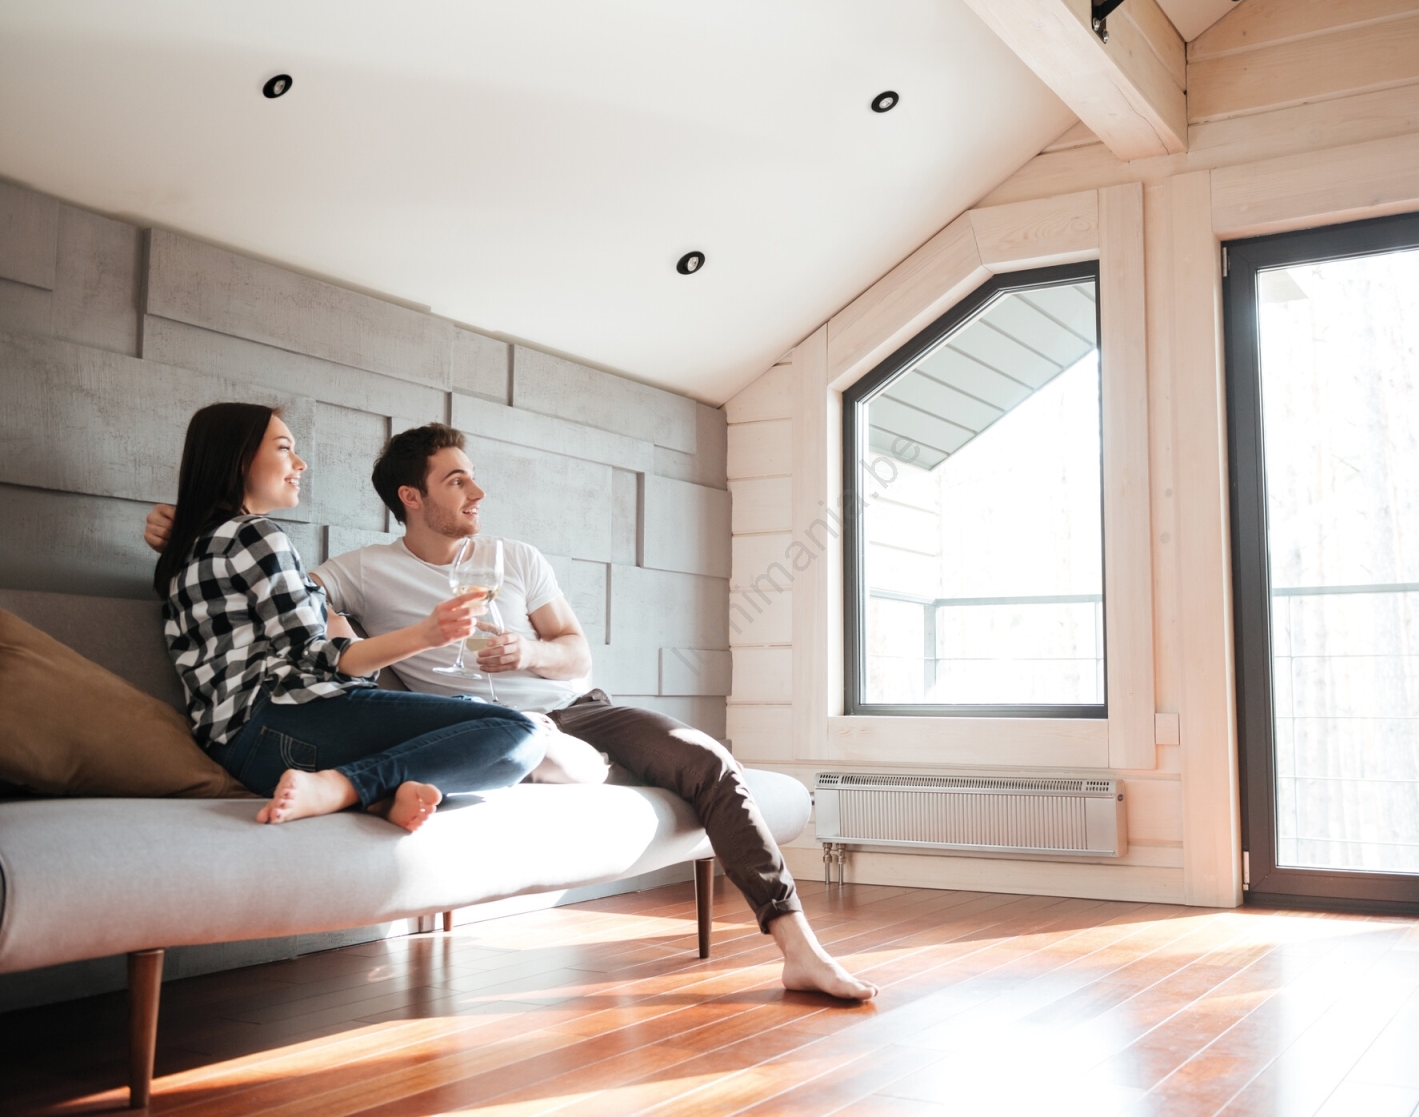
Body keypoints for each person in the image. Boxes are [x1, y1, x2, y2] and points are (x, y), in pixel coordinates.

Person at [146, 422, 878, 1001]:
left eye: (473, 476)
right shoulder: (364, 571)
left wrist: (527, 652)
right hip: (469, 725)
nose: (478, 492)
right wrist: (181, 530)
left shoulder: (517, 558)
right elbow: (285, 601)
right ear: (410, 497)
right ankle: (574, 767)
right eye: (457, 479)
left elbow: (577, 655)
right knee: (537, 748)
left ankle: (798, 948)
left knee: (706, 759)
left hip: (578, 710)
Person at [155, 403, 547, 834]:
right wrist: (425, 634)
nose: (300, 463)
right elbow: (312, 656)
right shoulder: (255, 534)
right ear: (239, 458)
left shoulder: (182, 554)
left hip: (238, 752)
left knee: (470, 715)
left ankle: (377, 796)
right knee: (518, 732)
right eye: (284, 448)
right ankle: (345, 786)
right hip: (285, 720)